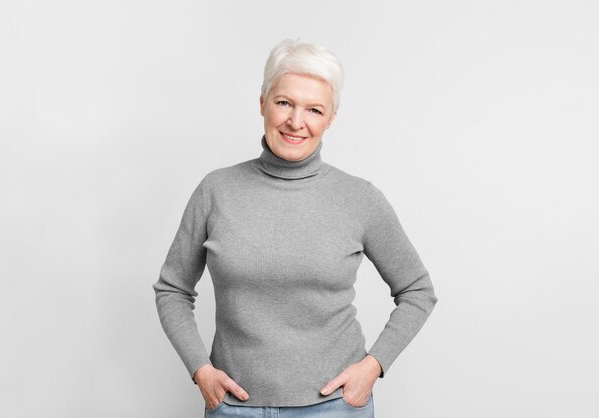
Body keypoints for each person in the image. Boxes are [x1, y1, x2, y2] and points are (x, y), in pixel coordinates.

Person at [152, 38, 438, 418]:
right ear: (262, 103)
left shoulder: (359, 198)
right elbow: (172, 289)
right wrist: (200, 370)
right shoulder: (215, 191)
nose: (296, 122)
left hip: (336, 408)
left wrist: (374, 366)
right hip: (236, 408)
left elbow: (417, 290)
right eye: (284, 103)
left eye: (314, 109)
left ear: (331, 118)